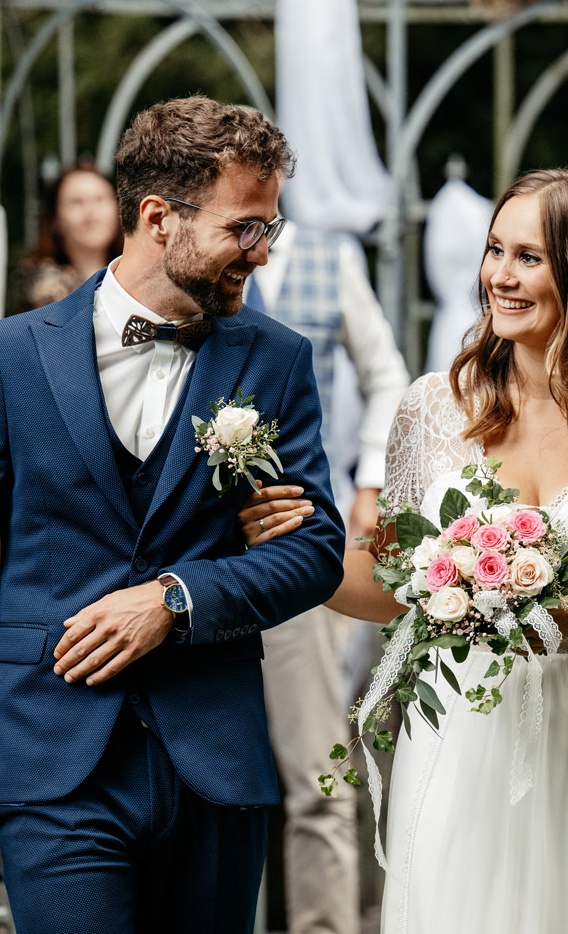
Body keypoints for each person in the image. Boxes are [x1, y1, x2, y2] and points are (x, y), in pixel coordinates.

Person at [0, 96, 345, 934]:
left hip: (214, 761)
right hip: (54, 761)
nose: (263, 252)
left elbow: (314, 551)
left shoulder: (277, 361)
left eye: (269, 227)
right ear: (159, 217)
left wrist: (176, 599)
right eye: (244, 228)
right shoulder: (10, 356)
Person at [241, 168, 568, 933]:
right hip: (465, 734)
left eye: (528, 258)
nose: (499, 277)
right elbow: (390, 585)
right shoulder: (432, 407)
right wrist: (298, 545)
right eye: (494, 250)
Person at [246, 222, 409, 934]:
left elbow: (386, 374)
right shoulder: (185, 259)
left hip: (305, 541)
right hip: (195, 552)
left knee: (318, 769)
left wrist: (369, 484)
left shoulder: (328, 257)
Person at [19, 162, 123, 309]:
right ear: (55, 220)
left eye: (99, 199)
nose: (91, 212)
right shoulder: (42, 287)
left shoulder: (140, 274)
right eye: (76, 202)